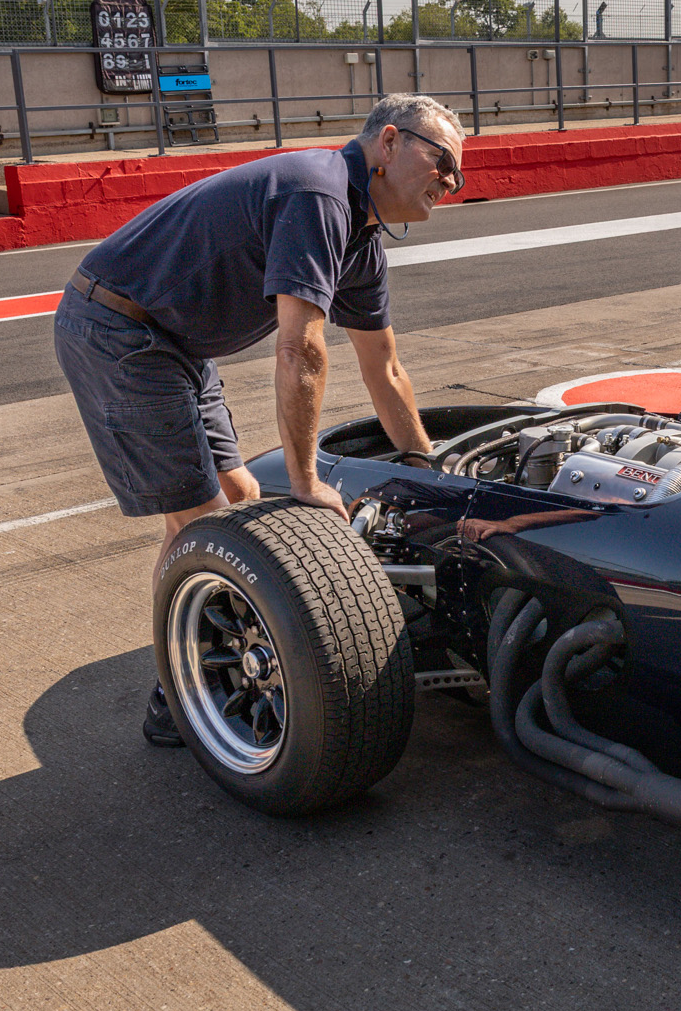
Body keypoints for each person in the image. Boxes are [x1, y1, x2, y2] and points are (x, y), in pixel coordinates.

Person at [54, 92, 462, 746]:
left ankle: (192, 651)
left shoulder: (360, 242)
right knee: (204, 522)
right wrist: (305, 479)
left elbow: (383, 369)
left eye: (459, 174)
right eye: (443, 162)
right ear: (389, 143)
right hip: (117, 328)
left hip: (176, 341)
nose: (451, 181)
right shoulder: (320, 194)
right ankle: (179, 694)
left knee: (242, 496)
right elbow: (299, 347)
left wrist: (426, 469)